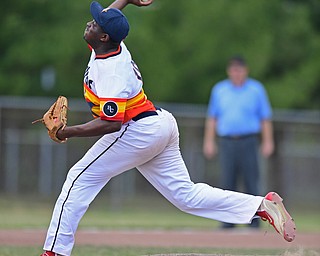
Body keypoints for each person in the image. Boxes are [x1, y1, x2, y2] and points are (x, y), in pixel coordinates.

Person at [40, 1, 295, 255]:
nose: (89, 23)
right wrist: (126, 0)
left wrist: (66, 132)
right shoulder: (108, 45)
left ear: (104, 36)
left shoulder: (112, 71)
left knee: (78, 178)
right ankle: (261, 205)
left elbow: (111, 123)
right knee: (186, 197)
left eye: (94, 24)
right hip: (158, 124)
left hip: (136, 131)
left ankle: (54, 252)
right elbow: (110, 17)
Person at [203, 56, 275, 229]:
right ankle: (228, 222)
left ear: (245, 70)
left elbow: (265, 118)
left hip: (248, 140)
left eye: (240, 69)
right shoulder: (220, 90)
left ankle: (254, 221)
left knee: (251, 180)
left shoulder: (256, 90)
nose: (237, 73)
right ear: (229, 71)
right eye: (233, 69)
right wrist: (209, 141)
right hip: (227, 141)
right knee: (228, 181)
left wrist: (268, 141)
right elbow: (212, 118)